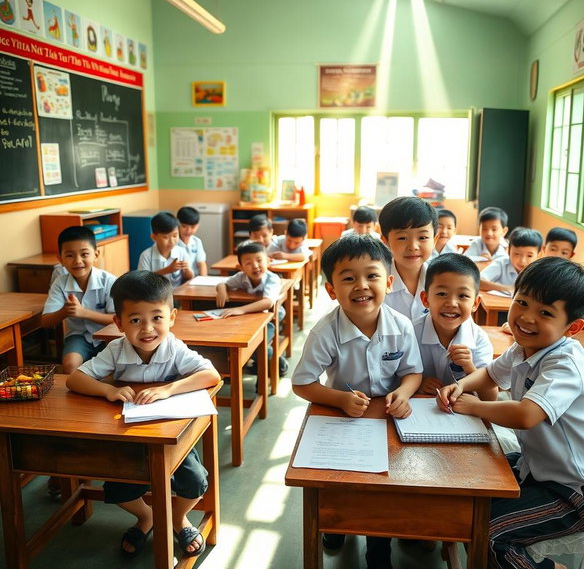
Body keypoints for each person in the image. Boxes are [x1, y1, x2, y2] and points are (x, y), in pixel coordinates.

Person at [437, 258, 584, 569]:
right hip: (536, 469)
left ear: (572, 327)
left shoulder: (564, 364)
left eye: (545, 313)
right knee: (466, 486)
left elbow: (526, 415)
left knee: (488, 532)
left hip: (576, 491)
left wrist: (473, 405)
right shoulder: (524, 348)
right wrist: (461, 386)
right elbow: (490, 375)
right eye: (521, 302)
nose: (526, 317)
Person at [66, 271, 221, 559]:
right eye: (136, 320)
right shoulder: (115, 349)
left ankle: (177, 518)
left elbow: (209, 375)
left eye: (157, 318)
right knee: (118, 486)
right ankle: (147, 516)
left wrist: (168, 389)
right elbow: (75, 379)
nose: (148, 328)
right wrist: (107, 391)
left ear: (172, 317)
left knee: (196, 482)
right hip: (128, 433)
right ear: (118, 322)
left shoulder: (174, 347)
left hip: (170, 436)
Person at [292, 234, 422, 569]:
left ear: (389, 282)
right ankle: (334, 526)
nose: (361, 286)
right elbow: (302, 383)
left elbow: (413, 373)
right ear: (331, 290)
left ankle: (379, 549)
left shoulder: (401, 326)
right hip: (342, 417)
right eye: (348, 278)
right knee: (339, 479)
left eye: (372, 275)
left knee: (385, 487)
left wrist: (404, 393)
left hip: (390, 417)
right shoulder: (325, 331)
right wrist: (339, 400)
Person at [414, 253, 495, 398]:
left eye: (463, 296)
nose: (451, 303)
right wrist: (418, 384)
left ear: (475, 304)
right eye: (442, 293)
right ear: (425, 299)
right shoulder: (411, 333)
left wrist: (470, 369)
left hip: (463, 413)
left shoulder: (479, 340)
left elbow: (491, 397)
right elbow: (392, 380)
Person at [41, 226, 116, 374]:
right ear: (60, 259)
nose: (77, 261)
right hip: (78, 337)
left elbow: (119, 319)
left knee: (115, 369)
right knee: (70, 366)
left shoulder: (109, 281)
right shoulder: (60, 283)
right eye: (69, 255)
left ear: (96, 254)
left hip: (109, 337)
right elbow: (46, 322)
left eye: (84, 254)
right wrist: (64, 311)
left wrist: (83, 313)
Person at [216, 241, 288, 376]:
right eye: (248, 263)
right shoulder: (241, 277)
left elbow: (268, 303)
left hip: (271, 317)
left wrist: (241, 309)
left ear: (268, 261)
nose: (255, 266)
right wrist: (222, 290)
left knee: (258, 344)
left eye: (259, 260)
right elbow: (223, 283)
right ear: (241, 267)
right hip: (252, 316)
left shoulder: (272, 279)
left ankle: (279, 364)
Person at [379, 196, 437, 321]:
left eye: (422, 237)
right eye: (402, 238)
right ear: (385, 242)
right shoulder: (377, 285)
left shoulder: (444, 281)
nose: (413, 247)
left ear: (434, 240)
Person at [480, 227, 543, 295]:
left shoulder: (540, 271)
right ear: (508, 251)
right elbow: (477, 281)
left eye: (529, 256)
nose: (522, 261)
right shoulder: (502, 264)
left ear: (538, 255)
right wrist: (507, 289)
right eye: (517, 254)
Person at [138, 211, 193, 288]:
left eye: (175, 236)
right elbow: (142, 281)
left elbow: (189, 278)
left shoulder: (181, 252)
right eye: (165, 237)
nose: (171, 241)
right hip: (154, 297)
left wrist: (186, 269)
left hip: (177, 295)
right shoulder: (146, 256)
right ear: (154, 237)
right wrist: (167, 270)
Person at [177, 206, 207, 276]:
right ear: (177, 224)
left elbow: (201, 264)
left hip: (194, 279)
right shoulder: (173, 243)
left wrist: (204, 279)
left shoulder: (197, 241)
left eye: (193, 227)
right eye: (184, 226)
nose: (188, 231)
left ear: (198, 226)